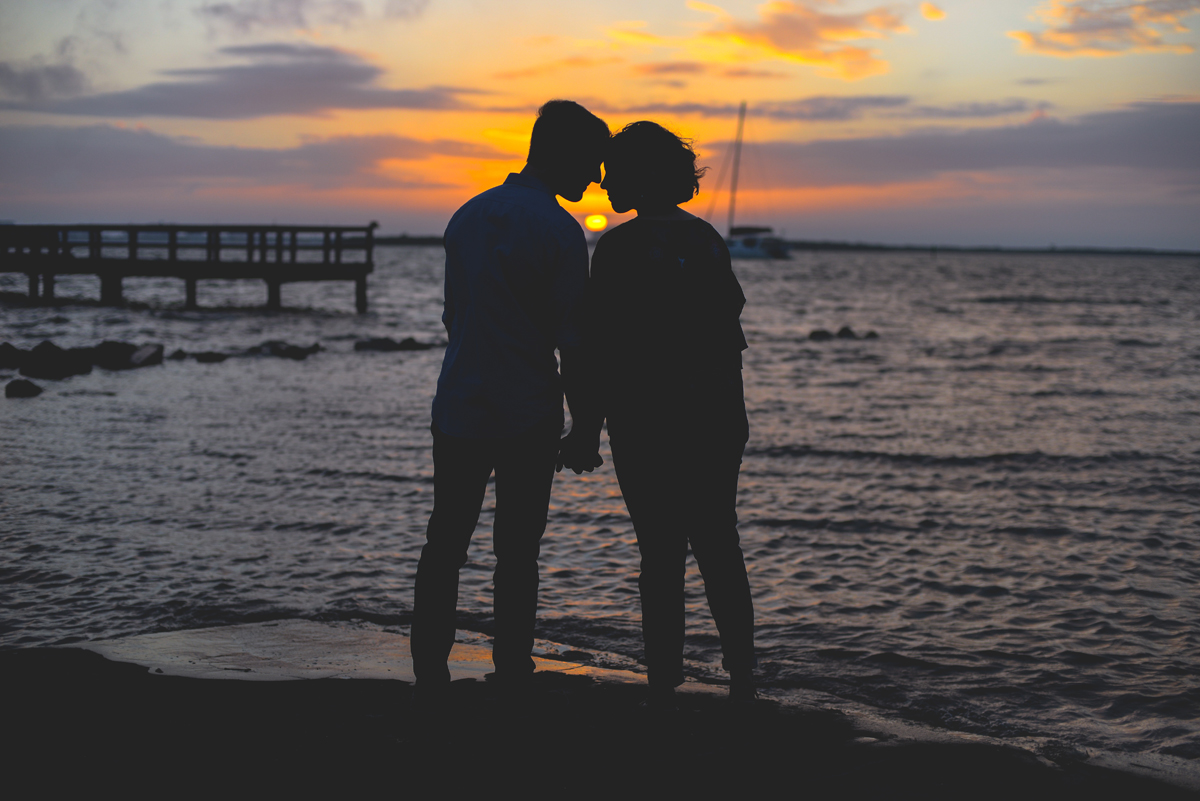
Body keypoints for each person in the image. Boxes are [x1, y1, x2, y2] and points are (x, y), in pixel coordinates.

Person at [411, 100, 609, 695]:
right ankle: (513, 670)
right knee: (518, 552)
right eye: (592, 162)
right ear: (563, 154)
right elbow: (573, 339)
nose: (597, 177)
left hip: (460, 403)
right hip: (526, 410)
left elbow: (454, 317)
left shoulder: (467, 216)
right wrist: (587, 426)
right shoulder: (559, 231)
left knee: (445, 542)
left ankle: (430, 673)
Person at [562, 121, 756, 707]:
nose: (601, 179)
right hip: (716, 417)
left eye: (612, 170)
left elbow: (598, 348)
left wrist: (585, 430)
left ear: (641, 176)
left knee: (662, 552)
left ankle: (664, 678)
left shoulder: (619, 247)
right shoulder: (707, 241)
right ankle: (744, 679)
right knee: (719, 543)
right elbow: (729, 341)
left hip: (645, 421)